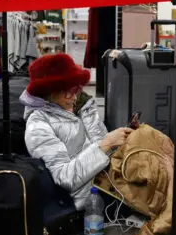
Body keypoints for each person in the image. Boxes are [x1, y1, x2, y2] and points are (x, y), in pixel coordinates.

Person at [20, 53, 132, 210]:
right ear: (50, 93)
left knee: (148, 145)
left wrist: (118, 141)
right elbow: (64, 178)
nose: (74, 95)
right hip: (90, 199)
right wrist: (106, 144)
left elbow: (100, 144)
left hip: (109, 180)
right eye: (68, 90)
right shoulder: (38, 126)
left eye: (77, 88)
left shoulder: (82, 108)